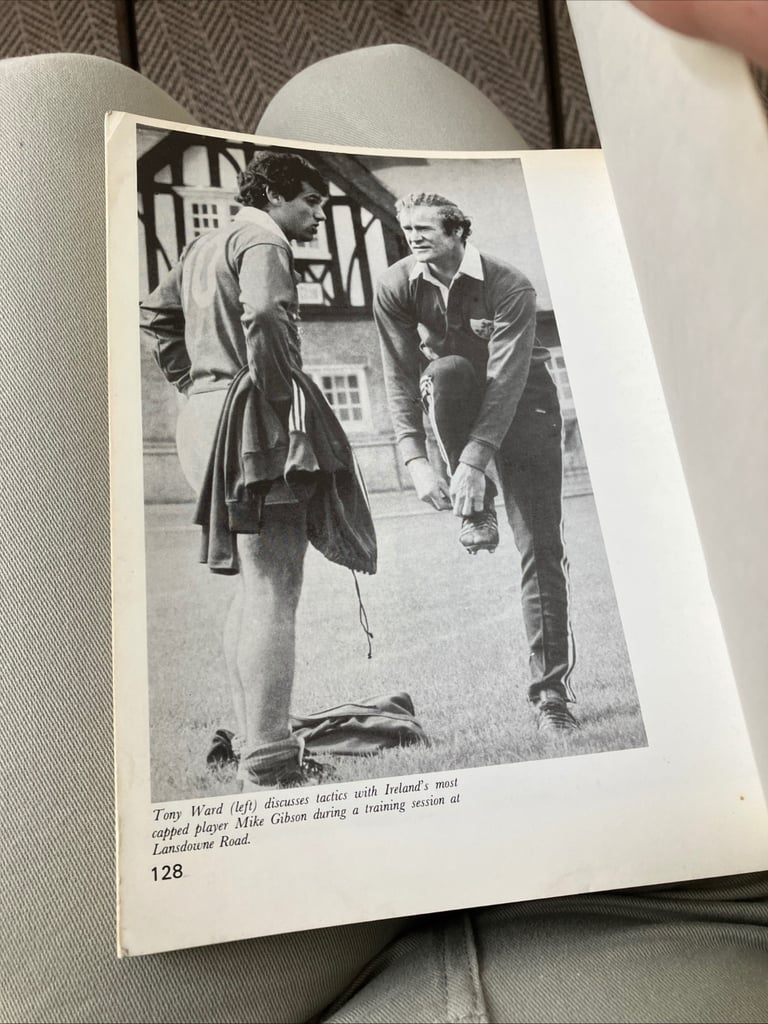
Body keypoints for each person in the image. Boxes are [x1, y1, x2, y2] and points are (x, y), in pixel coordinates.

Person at [140, 149, 376, 792]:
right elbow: (268, 315)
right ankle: (271, 762)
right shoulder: (261, 238)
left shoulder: (200, 245)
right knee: (276, 588)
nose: (318, 217)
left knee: (255, 585)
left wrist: (193, 383)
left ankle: (256, 741)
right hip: (251, 423)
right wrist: (275, 399)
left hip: (204, 419)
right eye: (311, 202)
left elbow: (159, 317)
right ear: (271, 193)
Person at [373, 192, 577, 732]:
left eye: (425, 228)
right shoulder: (396, 286)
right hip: (459, 402)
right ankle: (476, 509)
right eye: (406, 229)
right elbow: (398, 375)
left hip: (527, 410)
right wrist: (415, 458)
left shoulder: (508, 284)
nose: (413, 237)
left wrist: (473, 464)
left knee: (540, 548)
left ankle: (551, 695)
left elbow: (506, 381)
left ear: (458, 231)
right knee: (447, 372)